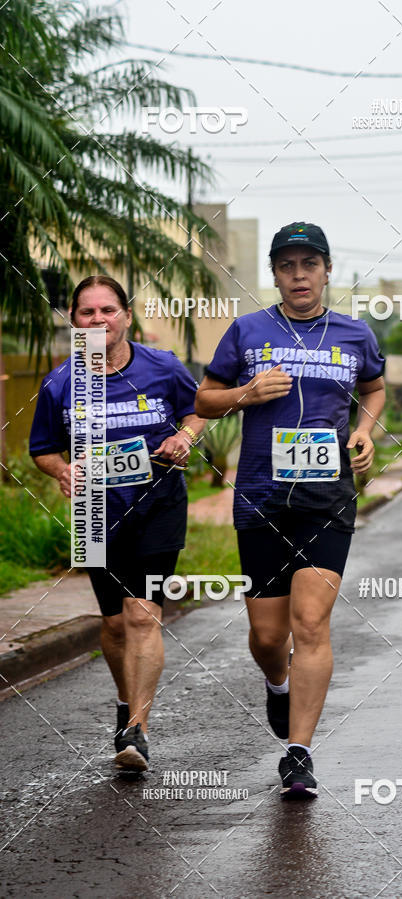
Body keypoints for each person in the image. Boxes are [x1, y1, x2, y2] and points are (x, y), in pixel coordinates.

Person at [195, 222, 385, 799]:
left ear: (327, 270)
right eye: (287, 266)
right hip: (261, 497)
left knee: (311, 623)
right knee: (267, 633)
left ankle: (298, 754)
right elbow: (205, 398)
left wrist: (366, 431)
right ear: (275, 274)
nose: (299, 276)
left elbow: (374, 388)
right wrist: (244, 395)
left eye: (309, 264)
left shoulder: (354, 334)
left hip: (326, 497)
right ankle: (276, 683)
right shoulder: (247, 331)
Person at [29, 275, 205, 771]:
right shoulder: (60, 382)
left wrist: (184, 438)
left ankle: (137, 731)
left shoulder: (163, 366)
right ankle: (127, 703)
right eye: (87, 312)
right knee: (112, 623)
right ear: (73, 320)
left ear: (127, 316)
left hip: (158, 505)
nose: (98, 320)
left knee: (141, 614)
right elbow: (42, 449)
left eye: (108, 310)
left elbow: (199, 410)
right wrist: (63, 470)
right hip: (94, 513)